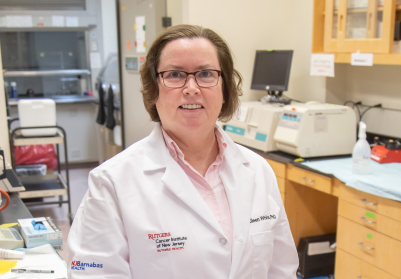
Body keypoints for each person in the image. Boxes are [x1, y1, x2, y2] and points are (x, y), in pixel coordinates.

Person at [67, 24, 298, 279]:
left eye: (206, 74)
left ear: (224, 90)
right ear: (154, 89)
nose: (191, 87)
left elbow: (282, 268)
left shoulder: (257, 170)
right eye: (175, 75)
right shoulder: (111, 182)